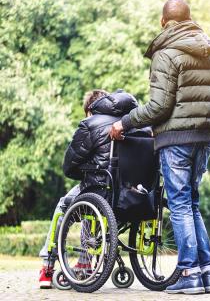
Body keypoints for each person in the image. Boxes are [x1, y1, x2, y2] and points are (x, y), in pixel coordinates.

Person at [110, 0, 210, 295]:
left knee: (180, 204)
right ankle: (206, 273)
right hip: (205, 137)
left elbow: (159, 106)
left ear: (164, 21)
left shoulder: (167, 52)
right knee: (193, 203)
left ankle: (188, 272)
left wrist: (125, 123)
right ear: (188, 18)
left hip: (177, 139)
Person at [38, 89, 139, 288]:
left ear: (90, 110)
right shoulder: (133, 124)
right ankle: (85, 261)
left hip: (101, 188)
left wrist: (83, 172)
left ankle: (48, 265)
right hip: (132, 192)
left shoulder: (91, 124)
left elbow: (69, 165)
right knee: (90, 204)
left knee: (69, 204)